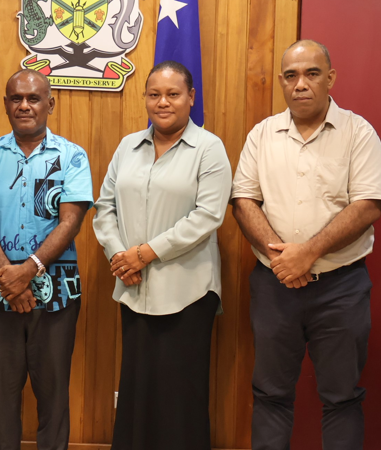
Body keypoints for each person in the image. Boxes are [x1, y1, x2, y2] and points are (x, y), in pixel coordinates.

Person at [231, 40, 381, 450]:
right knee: (270, 393)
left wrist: (308, 252)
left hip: (341, 287)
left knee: (341, 397)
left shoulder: (358, 132)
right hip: (274, 286)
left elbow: (369, 204)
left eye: (312, 73)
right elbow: (243, 200)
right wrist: (282, 257)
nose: (300, 84)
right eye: (291, 75)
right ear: (283, 82)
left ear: (330, 78)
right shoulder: (262, 134)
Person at [93, 60, 232, 450]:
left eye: (173, 94)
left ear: (191, 97)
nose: (163, 102)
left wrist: (146, 253)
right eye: (154, 94)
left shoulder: (209, 149)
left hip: (187, 294)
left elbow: (208, 216)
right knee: (136, 392)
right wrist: (122, 257)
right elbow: (104, 209)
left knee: (180, 398)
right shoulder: (127, 147)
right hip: (133, 290)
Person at [0, 69, 93, 450]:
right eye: (15, 98)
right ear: (6, 104)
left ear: (50, 103)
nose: (24, 105)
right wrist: (10, 278)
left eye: (33, 98)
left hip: (57, 297)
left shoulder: (72, 156)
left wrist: (29, 270)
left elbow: (71, 221)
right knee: (2, 397)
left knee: (53, 397)